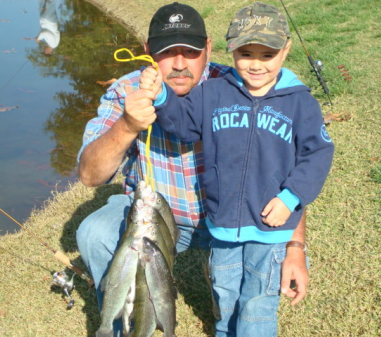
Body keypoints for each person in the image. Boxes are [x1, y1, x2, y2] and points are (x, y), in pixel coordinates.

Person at [76, 2, 308, 336]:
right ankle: (124, 323)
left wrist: (294, 246)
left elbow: (288, 170)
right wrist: (127, 124)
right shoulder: (127, 91)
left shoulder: (241, 90)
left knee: (243, 309)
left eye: (192, 51)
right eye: (168, 53)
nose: (180, 64)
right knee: (94, 233)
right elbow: (89, 176)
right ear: (148, 52)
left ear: (209, 48)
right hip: (153, 221)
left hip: (230, 221)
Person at [139, 2, 334, 336]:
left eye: (266, 54)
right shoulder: (214, 92)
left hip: (271, 227)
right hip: (223, 225)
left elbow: (317, 154)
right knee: (226, 296)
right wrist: (160, 98)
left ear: (285, 51)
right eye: (246, 53)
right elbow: (183, 126)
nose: (255, 65)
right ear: (231, 51)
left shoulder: (300, 102)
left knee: (257, 303)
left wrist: (291, 197)